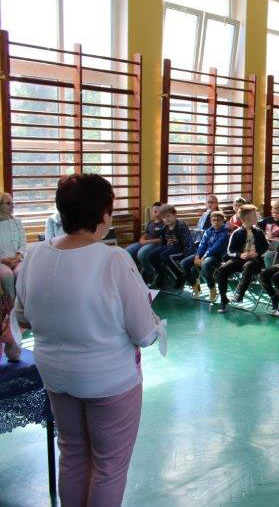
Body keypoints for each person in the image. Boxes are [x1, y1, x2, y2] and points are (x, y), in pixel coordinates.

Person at [14, 173, 164, 506]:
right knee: (109, 466)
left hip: (55, 375)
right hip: (109, 381)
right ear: (103, 215)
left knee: (72, 454)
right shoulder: (113, 259)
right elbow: (143, 334)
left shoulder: (35, 254)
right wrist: (154, 322)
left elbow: (23, 317)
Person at [216, 204, 267, 312]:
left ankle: (239, 293)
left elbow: (265, 246)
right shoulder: (237, 232)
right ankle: (223, 298)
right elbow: (230, 250)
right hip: (239, 260)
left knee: (249, 265)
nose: (257, 217)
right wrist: (240, 255)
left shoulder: (258, 231)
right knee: (222, 269)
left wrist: (257, 253)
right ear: (247, 218)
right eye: (254, 215)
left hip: (255, 261)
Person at [178, 211, 229, 300]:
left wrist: (204, 257)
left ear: (223, 221)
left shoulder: (225, 233)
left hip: (218, 256)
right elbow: (202, 244)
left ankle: (212, 288)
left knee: (205, 264)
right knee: (183, 263)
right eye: (214, 220)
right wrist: (198, 256)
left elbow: (216, 247)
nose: (216, 222)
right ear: (211, 221)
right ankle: (195, 285)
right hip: (204, 255)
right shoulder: (209, 231)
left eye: (219, 220)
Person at [148, 204, 193, 289]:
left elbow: (187, 243)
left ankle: (180, 275)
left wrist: (186, 256)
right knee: (152, 255)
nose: (166, 219)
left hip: (183, 249)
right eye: (164, 217)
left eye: (168, 216)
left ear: (175, 215)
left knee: (164, 255)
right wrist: (161, 250)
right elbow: (163, 244)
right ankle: (161, 273)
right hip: (170, 247)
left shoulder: (181, 226)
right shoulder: (164, 228)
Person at [126, 202, 163, 282]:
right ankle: (137, 271)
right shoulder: (150, 223)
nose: (157, 213)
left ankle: (150, 272)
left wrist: (147, 242)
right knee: (127, 251)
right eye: (155, 211)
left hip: (156, 244)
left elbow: (162, 239)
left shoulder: (164, 223)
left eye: (159, 211)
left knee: (141, 254)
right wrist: (141, 240)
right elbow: (145, 234)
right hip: (145, 242)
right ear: (152, 212)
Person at [0, 192, 26, 303]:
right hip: (1, 261)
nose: (12, 206)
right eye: (8, 203)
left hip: (17, 259)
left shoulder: (17, 221)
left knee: (21, 273)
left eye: (13, 203)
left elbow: (23, 243)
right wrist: (2, 260)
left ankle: (22, 305)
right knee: (7, 276)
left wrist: (18, 256)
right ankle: (11, 306)